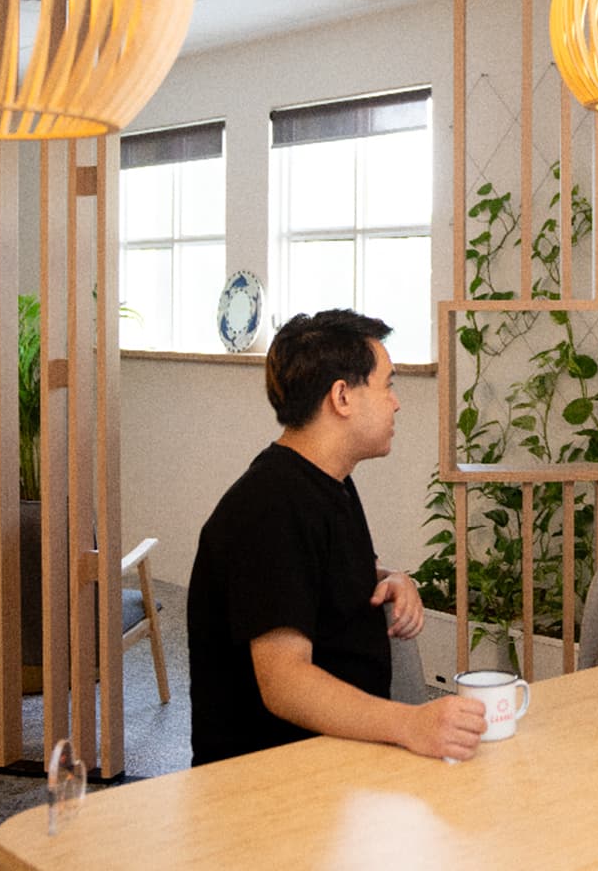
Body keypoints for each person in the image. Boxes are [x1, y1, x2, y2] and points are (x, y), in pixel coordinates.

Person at [188, 309, 486, 765]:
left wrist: (389, 577)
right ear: (342, 397)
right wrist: (411, 723)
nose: (396, 402)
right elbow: (286, 686)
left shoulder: (325, 482)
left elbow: (313, 574)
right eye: (387, 384)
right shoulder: (268, 507)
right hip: (275, 780)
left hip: (342, 750)